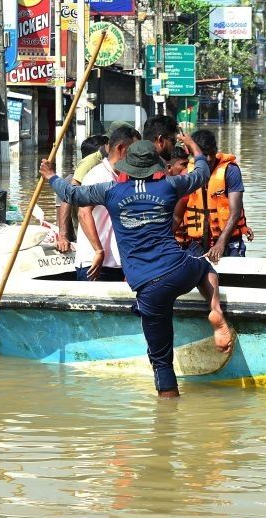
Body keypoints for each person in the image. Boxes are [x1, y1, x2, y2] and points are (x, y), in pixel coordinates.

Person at [43, 136, 233, 398]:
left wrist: (51, 176)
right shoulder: (169, 186)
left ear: (127, 167)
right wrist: (194, 146)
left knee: (161, 361)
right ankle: (214, 310)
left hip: (149, 285)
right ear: (156, 166)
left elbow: (71, 194)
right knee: (204, 266)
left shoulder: (110, 191)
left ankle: (166, 421)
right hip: (179, 268)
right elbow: (201, 173)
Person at [75, 125, 141, 281]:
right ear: (121, 149)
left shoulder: (127, 177)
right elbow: (83, 213)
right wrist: (98, 250)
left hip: (121, 263)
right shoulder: (98, 175)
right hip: (95, 263)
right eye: (134, 151)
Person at [176, 129, 250, 262]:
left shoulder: (230, 171)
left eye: (212, 153)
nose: (209, 159)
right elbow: (177, 216)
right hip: (196, 243)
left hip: (229, 241)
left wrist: (220, 243)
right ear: (194, 154)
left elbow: (235, 212)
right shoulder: (187, 174)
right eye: (204, 155)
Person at [56, 134, 109, 253]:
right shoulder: (70, 182)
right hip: (86, 239)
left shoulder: (107, 176)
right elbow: (66, 204)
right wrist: (63, 237)